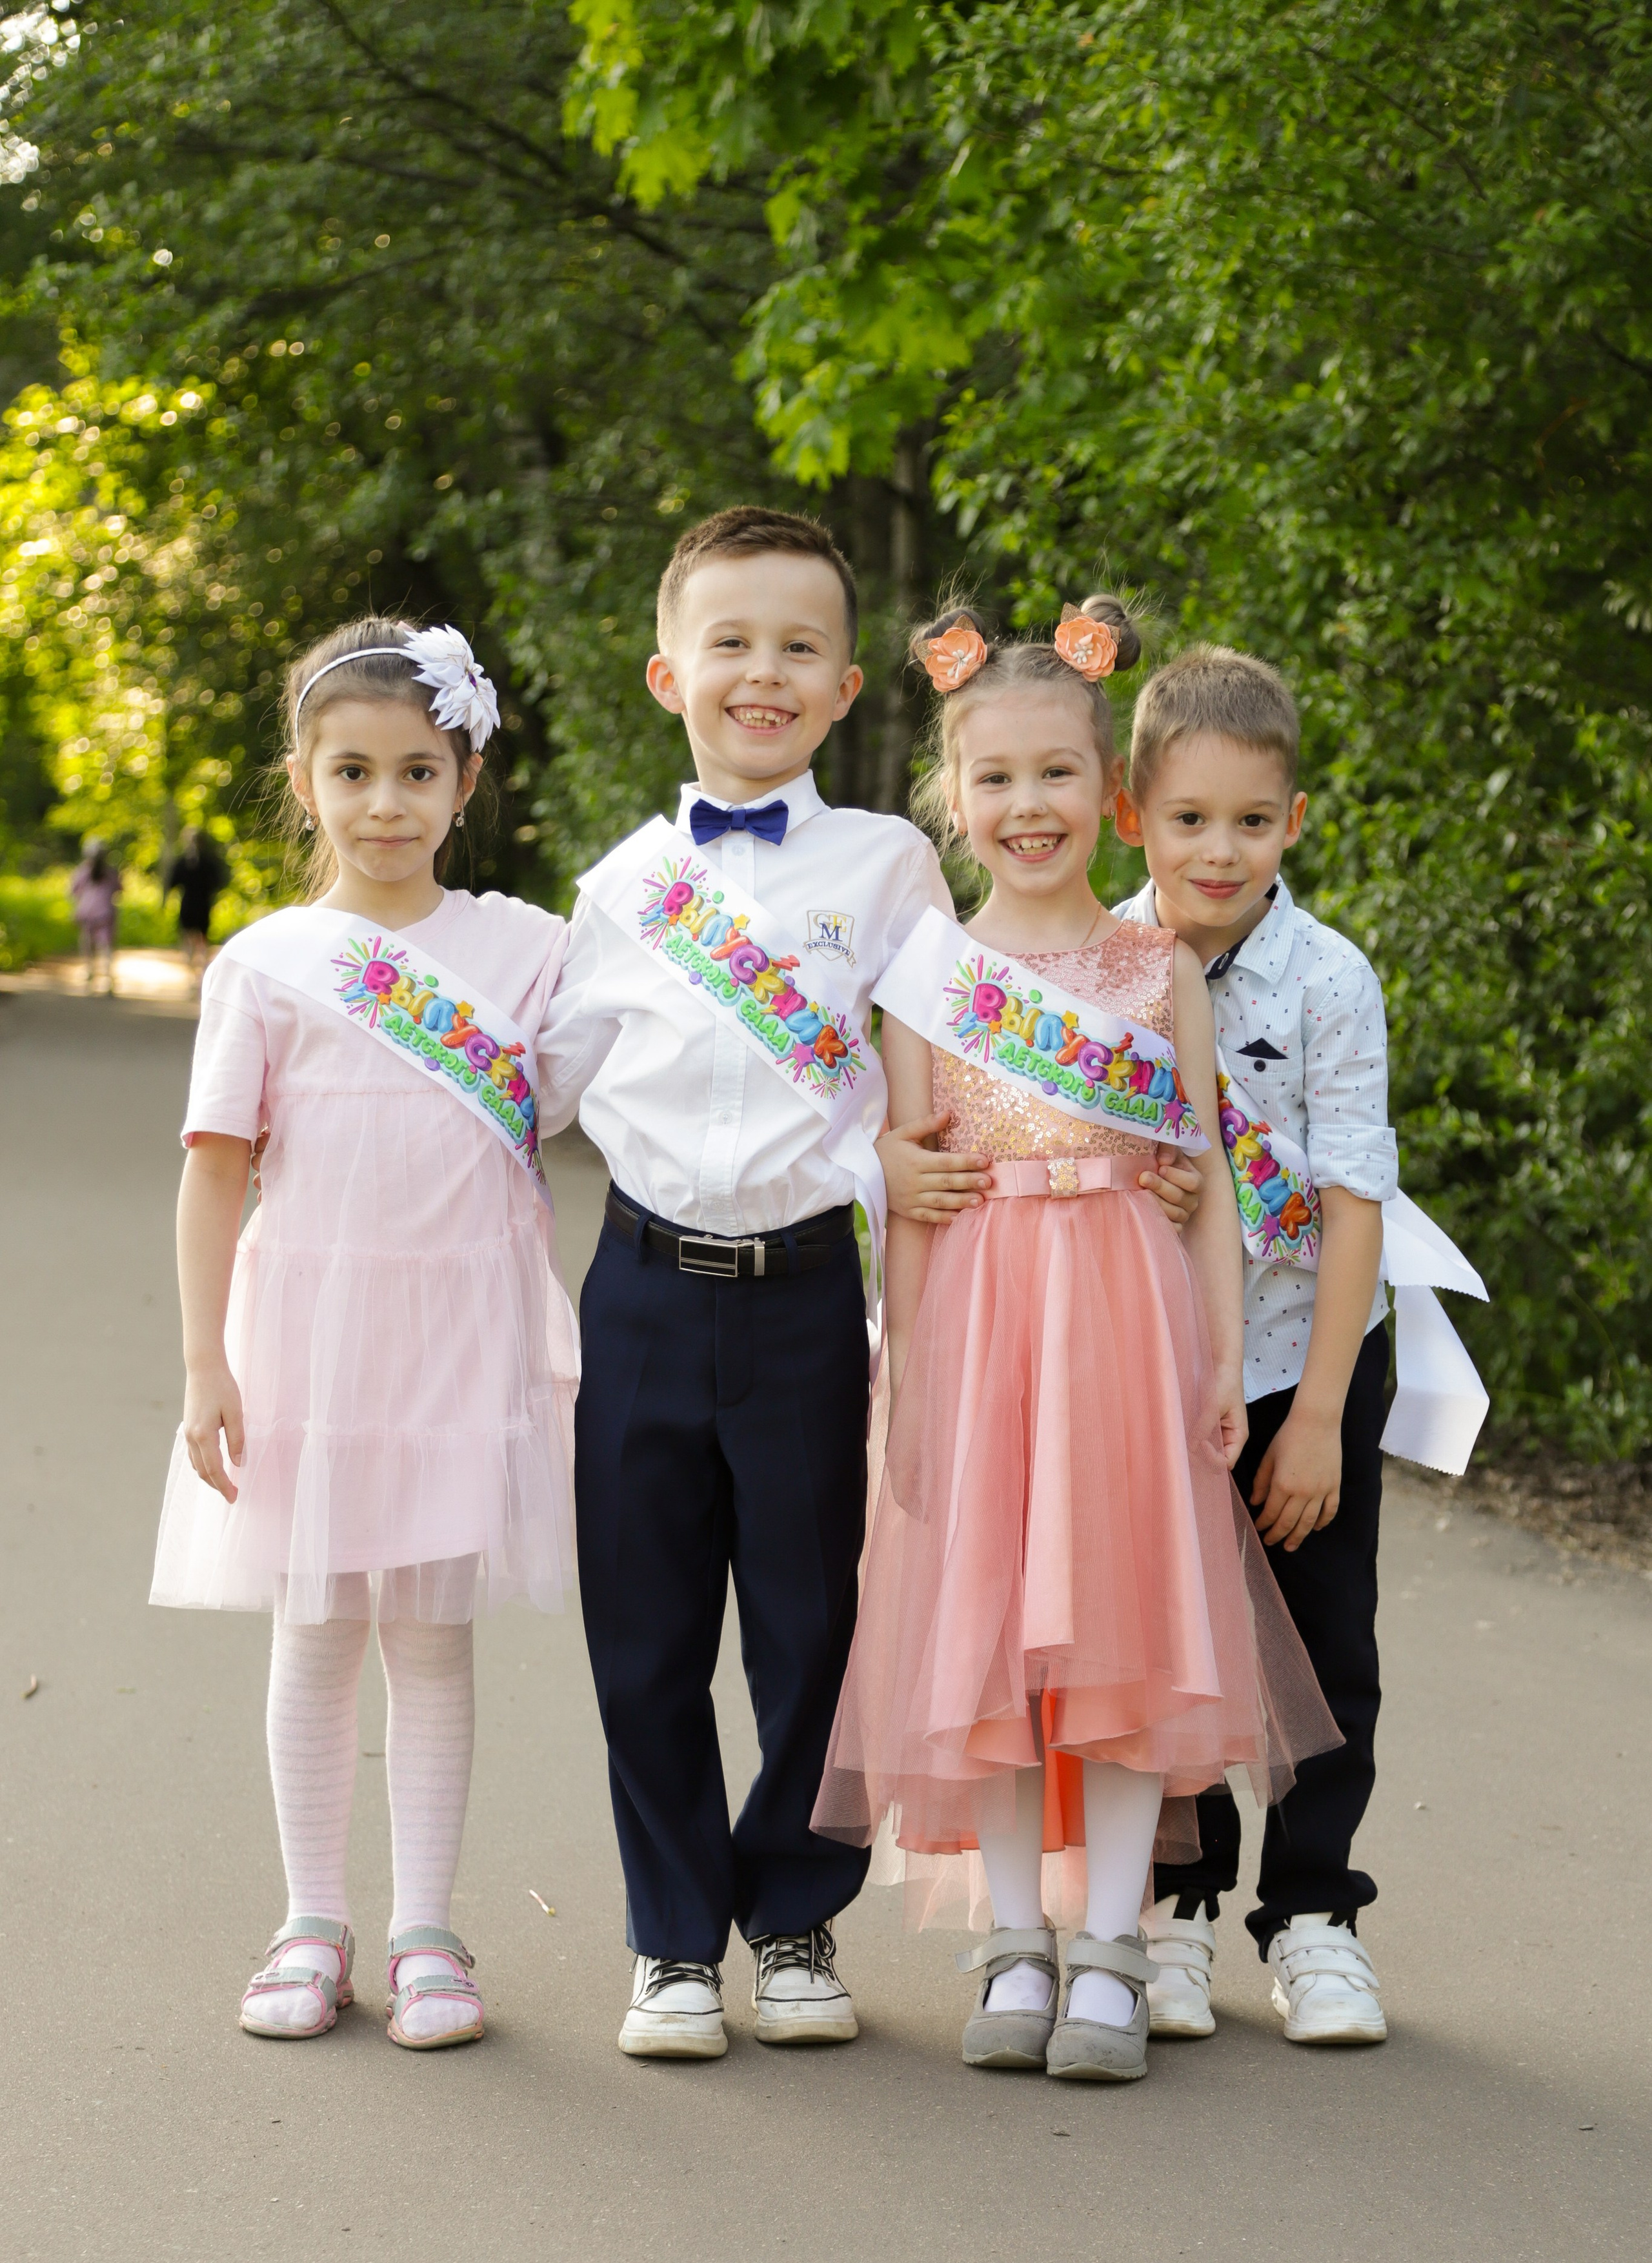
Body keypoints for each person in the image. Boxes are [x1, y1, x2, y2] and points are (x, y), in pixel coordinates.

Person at [811, 602, 1339, 2082]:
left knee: (1114, 1630)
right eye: (993, 779)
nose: (1024, 807)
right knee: (983, 1628)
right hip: (978, 1326)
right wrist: (899, 1380)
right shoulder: (924, 975)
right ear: (951, 795)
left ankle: (1108, 1939)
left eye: (1053, 776)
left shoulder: (1149, 964)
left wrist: (1224, 1358)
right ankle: (1008, 1937)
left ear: (1103, 790)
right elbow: (908, 1198)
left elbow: (1208, 1181)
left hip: (1120, 1321)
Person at [536, 505, 979, 2062]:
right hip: (642, 1296)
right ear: (668, 672)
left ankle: (791, 1913)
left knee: (810, 1626)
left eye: (798, 645)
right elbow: (531, 1096)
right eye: (730, 641)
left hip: (806, 1298)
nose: (762, 672)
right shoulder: (617, 887)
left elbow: (947, 1079)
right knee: (644, 1632)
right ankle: (671, 1941)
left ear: (848, 687)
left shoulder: (890, 866)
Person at [151, 617, 579, 2051]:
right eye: (353, 771)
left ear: (467, 782)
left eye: (417, 771)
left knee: (434, 1638)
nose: (385, 803)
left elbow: (627, 1093)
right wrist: (206, 1360)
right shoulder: (268, 961)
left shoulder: (526, 952)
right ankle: (311, 1919)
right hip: (311, 1335)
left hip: (461, 1332)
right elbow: (216, 1168)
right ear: (304, 778)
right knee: (320, 1629)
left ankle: (427, 1932)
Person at [1112, 645, 1398, 2044]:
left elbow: (1355, 1203)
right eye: (1186, 818)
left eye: (1248, 819)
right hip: (1143, 1364)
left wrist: (1320, 1415)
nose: (1216, 849)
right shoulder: (1093, 965)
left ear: (1293, 820)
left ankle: (1312, 1917)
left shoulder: (1328, 980)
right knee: (1160, 1648)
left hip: (1301, 1357)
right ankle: (1172, 1909)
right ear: (1131, 816)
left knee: (1319, 1648)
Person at [164, 827, 229, 984]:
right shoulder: (192, 862)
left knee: (198, 940)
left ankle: (197, 974)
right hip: (194, 905)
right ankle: (194, 974)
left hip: (199, 905)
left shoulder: (201, 862)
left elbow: (172, 883)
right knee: (192, 940)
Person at [71, 837, 121, 994]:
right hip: (106, 912)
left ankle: (90, 974)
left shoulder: (82, 872)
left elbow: (73, 891)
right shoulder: (111, 872)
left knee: (88, 944)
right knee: (106, 946)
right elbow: (119, 890)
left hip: (87, 912)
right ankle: (108, 979)